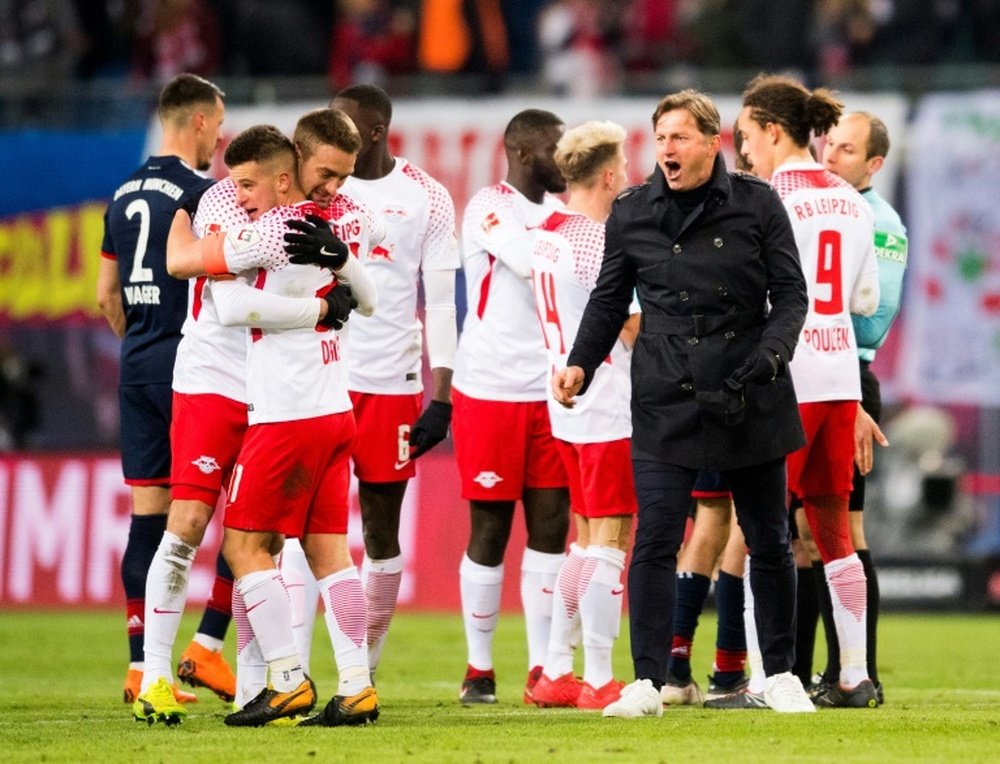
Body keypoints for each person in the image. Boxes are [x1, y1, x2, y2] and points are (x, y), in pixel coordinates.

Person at [553, 89, 814, 718]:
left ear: (712, 140)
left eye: (679, 137)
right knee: (655, 540)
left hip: (751, 387)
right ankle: (646, 682)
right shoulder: (632, 211)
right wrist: (581, 362)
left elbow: (792, 294)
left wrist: (773, 355)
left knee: (770, 538)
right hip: (667, 394)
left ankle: (779, 674)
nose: (667, 149)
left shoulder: (758, 202)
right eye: (660, 137)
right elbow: (610, 300)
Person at [133, 109, 367, 725]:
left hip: (281, 394)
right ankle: (153, 675)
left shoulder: (327, 215)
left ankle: (259, 685)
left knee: (258, 542)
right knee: (187, 524)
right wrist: (323, 311)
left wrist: (346, 279)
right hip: (216, 379)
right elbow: (188, 267)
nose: (333, 189)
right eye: (325, 175)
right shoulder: (228, 201)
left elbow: (365, 292)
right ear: (292, 166)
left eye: (342, 178)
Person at [300, 83, 457, 684]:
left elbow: (440, 304)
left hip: (391, 383)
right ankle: (286, 673)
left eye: (339, 122)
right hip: (317, 375)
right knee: (301, 530)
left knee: (382, 536)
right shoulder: (312, 188)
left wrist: (441, 396)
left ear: (370, 131)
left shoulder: (427, 198)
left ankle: (358, 676)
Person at [737, 74, 881, 709]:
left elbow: (747, 296)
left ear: (773, 131)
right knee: (835, 532)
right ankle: (854, 674)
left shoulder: (762, 198)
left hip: (784, 378)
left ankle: (765, 678)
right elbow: (866, 300)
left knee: (763, 532)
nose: (741, 151)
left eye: (745, 136)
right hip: (840, 377)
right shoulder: (853, 199)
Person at [96, 72, 226, 707]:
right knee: (243, 509)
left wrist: (140, 337)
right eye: (218, 127)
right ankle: (208, 648)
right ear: (198, 121)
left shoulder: (120, 193)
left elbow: (105, 296)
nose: (219, 141)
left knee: (146, 521)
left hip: (137, 365)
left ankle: (139, 666)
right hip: (192, 369)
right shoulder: (202, 193)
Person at [452, 109, 570, 704]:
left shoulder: (564, 214)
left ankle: (542, 669)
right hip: (491, 389)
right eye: (556, 147)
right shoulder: (488, 206)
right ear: (523, 153)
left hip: (552, 390)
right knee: (491, 527)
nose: (566, 157)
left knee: (551, 527)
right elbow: (534, 261)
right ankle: (478, 668)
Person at [525, 120, 638, 711]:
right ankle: (599, 678)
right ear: (610, 174)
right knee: (611, 540)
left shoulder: (546, 231)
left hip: (563, 400)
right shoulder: (599, 240)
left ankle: (556, 669)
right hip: (606, 402)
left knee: (586, 539)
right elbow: (632, 326)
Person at [811, 111, 906, 704]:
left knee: (843, 526)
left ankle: (856, 669)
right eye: (829, 144)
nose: (830, 156)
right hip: (808, 372)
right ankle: (802, 669)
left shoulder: (880, 223)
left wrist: (819, 328)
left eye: (847, 150)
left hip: (849, 373)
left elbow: (876, 313)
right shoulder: (820, 205)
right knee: (803, 528)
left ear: (874, 164)